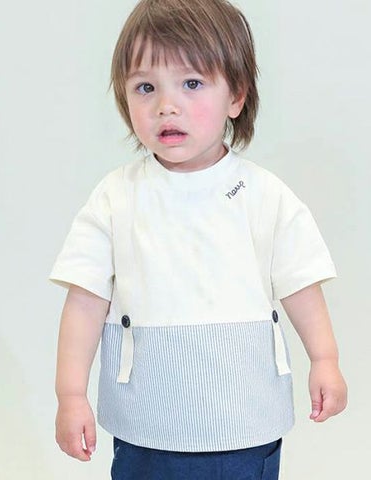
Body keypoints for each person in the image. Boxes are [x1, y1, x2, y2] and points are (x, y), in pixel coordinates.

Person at [50, 0, 348, 478]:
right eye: (145, 87)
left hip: (245, 415)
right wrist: (70, 395)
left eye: (191, 83)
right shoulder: (115, 198)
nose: (166, 105)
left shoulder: (265, 195)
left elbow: (301, 283)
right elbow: (84, 301)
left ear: (236, 96)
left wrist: (325, 358)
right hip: (146, 419)